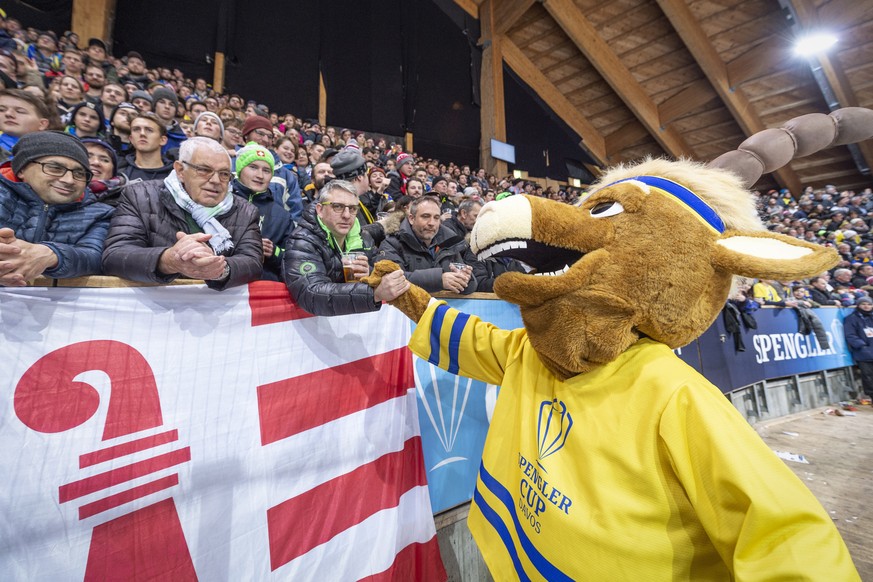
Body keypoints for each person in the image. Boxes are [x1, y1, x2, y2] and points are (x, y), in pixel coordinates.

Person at [102, 136, 262, 290]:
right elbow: (115, 255)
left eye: (224, 174)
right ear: (180, 170)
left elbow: (253, 262)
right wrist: (167, 260)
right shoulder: (139, 196)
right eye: (204, 170)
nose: (215, 180)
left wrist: (220, 269)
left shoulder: (246, 211)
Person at [0, 131, 113, 285]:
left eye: (79, 173)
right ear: (21, 169)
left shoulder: (100, 213)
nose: (69, 180)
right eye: (54, 168)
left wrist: (52, 255)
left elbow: (95, 257)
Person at [283, 179, 409, 316]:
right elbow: (312, 293)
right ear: (320, 210)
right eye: (337, 207)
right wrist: (373, 294)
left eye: (353, 208)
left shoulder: (362, 237)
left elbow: (378, 274)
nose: (347, 215)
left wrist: (370, 274)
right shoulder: (301, 242)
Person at [378, 195, 477, 294]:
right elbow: (391, 281)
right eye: (425, 216)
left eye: (436, 218)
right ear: (411, 219)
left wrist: (466, 279)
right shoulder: (391, 243)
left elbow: (469, 286)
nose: (431, 223)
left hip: (443, 308)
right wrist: (439, 280)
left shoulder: (450, 243)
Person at [231, 142, 292, 281]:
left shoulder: (282, 216)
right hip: (222, 291)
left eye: (266, 170)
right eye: (253, 167)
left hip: (263, 292)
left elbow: (294, 259)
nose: (260, 175)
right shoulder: (221, 203)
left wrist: (274, 251)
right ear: (240, 170)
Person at [0, 88, 54, 163]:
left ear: (42, 124)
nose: (8, 114)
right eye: (1, 110)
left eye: (20, 111)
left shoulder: (53, 153)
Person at [118, 111, 173, 181]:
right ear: (131, 139)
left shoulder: (175, 175)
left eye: (149, 130)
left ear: (162, 140)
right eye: (136, 129)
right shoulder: (119, 173)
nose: (142, 133)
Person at [82, 137, 128, 207]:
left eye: (105, 160)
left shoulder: (126, 200)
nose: (96, 162)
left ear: (113, 171)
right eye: (88, 156)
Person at [844, 296, 873, 400]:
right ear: (858, 305)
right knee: (868, 376)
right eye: (864, 304)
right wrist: (862, 346)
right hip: (864, 353)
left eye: (869, 304)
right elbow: (850, 335)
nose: (866, 306)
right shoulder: (851, 318)